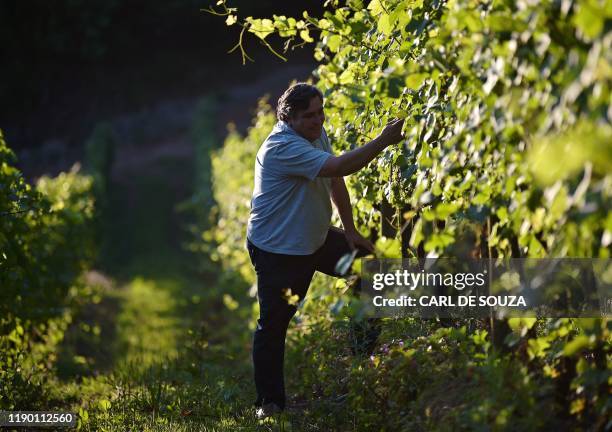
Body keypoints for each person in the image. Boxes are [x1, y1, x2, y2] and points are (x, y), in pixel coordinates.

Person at [245, 82, 404, 418]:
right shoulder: (282, 147)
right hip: (280, 251)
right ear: (289, 118)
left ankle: (361, 356)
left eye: (320, 113)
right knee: (273, 325)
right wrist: (384, 140)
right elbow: (339, 168)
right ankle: (269, 404)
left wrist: (349, 230)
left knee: (371, 268)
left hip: (314, 239)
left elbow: (334, 180)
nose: (318, 121)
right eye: (309, 116)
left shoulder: (312, 134)